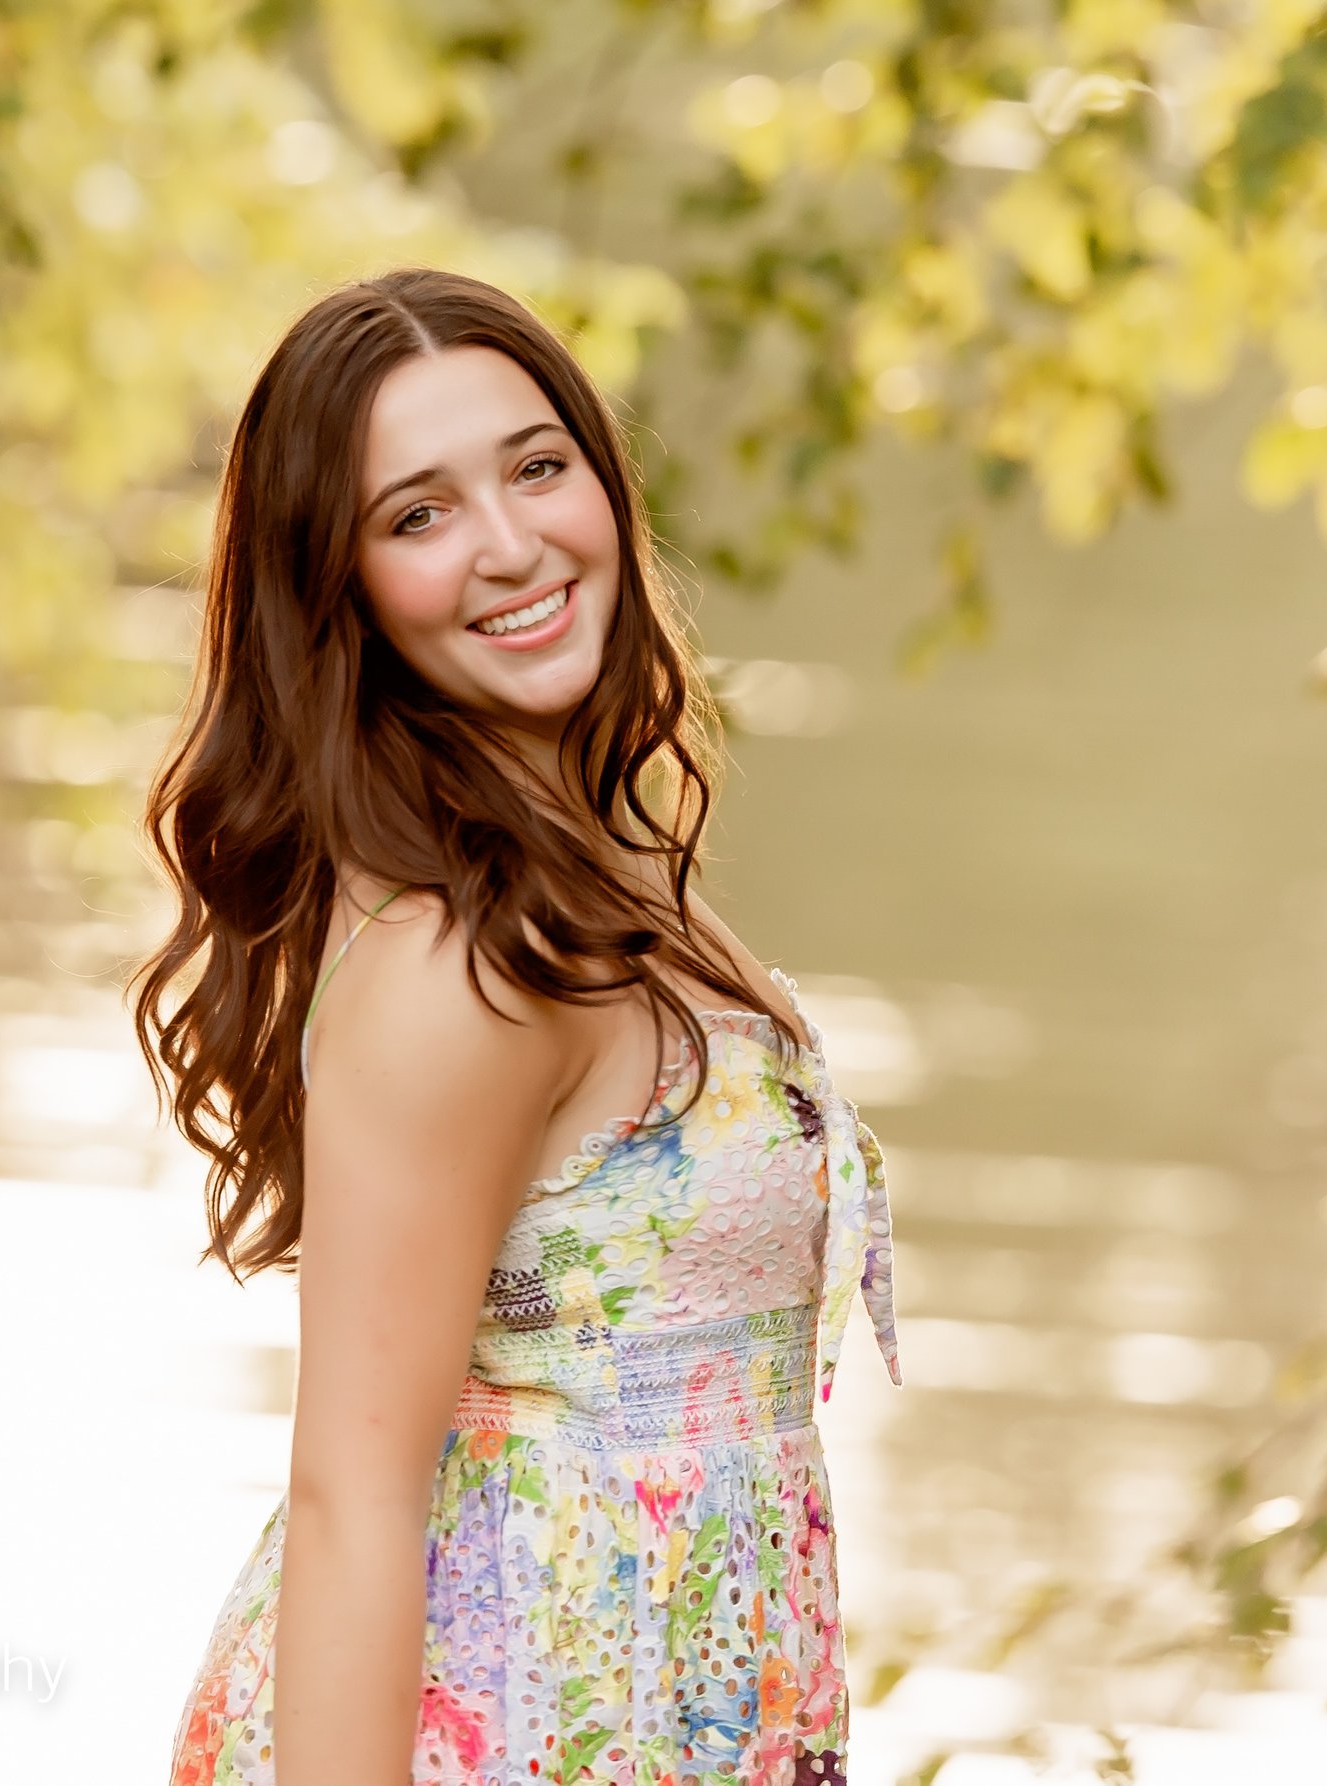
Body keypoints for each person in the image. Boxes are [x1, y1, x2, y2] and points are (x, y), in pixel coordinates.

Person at [135, 266, 900, 1786]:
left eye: (538, 467)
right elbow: (354, 1489)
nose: (510, 545)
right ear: (334, 587)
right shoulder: (457, 968)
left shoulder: (605, 882)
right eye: (416, 515)